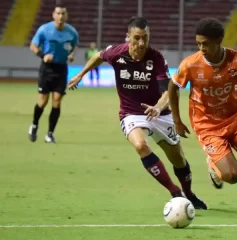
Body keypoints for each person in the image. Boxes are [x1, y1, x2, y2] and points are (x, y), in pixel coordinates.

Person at [67, 17, 207, 209]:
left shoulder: (156, 58)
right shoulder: (117, 53)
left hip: (160, 112)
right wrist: (80, 74)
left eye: (145, 38)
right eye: (137, 38)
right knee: (141, 145)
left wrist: (157, 107)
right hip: (131, 112)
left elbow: (168, 91)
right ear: (128, 37)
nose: (141, 43)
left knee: (178, 158)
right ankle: (175, 192)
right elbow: (98, 56)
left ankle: (189, 193)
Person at [168, 18, 237, 222]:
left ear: (219, 40)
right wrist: (177, 120)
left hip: (236, 119)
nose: (202, 48)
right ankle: (213, 163)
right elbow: (173, 86)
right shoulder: (191, 64)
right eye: (198, 43)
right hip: (207, 125)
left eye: (206, 44)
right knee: (233, 176)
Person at [28, 5, 79, 143]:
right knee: (43, 101)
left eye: (63, 13)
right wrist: (42, 55)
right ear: (53, 15)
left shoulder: (72, 32)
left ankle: (50, 134)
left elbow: (74, 47)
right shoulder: (44, 29)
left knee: (57, 101)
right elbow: (33, 46)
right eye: (58, 13)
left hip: (61, 69)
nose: (61, 16)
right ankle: (34, 125)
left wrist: (71, 55)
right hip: (47, 69)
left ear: (66, 15)